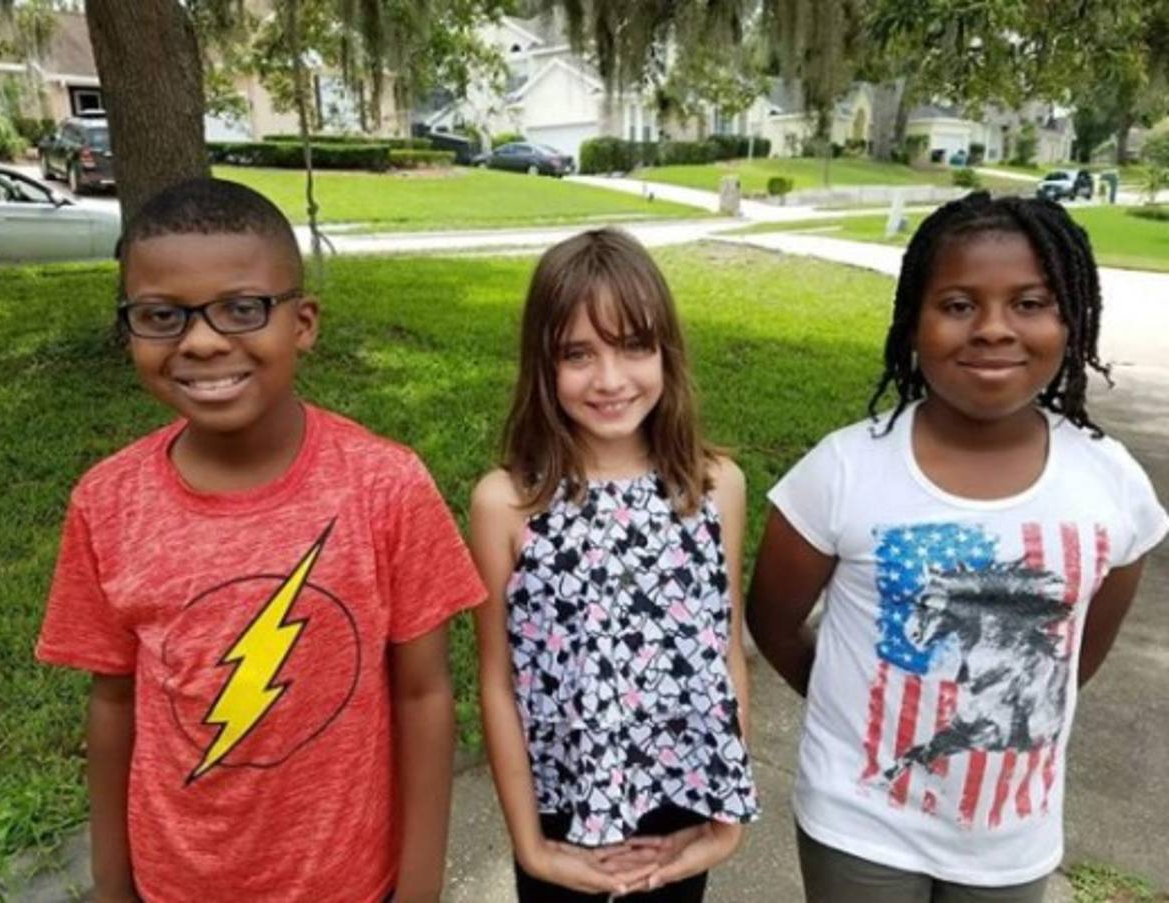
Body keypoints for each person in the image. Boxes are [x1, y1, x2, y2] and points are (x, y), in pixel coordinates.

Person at [36, 178, 484, 903]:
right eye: (161, 315)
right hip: (174, 881)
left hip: (348, 882)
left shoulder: (387, 485)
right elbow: (112, 702)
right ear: (130, 329)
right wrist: (113, 885)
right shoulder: (106, 501)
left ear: (303, 321)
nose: (204, 341)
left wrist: (421, 885)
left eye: (243, 308)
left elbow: (425, 691)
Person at [747, 191, 1168, 903]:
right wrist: (856, 711)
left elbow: (1080, 651)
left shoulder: (1110, 483)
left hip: (1011, 832)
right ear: (914, 322)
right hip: (859, 820)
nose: (994, 329)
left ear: (1072, 317)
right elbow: (772, 620)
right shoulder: (845, 469)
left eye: (1030, 303)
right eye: (959, 305)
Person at [470, 229, 758, 902]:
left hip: (681, 808)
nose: (609, 379)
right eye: (578, 353)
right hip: (564, 816)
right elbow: (497, 682)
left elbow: (727, 652)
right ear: (543, 365)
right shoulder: (507, 503)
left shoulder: (715, 487)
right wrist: (532, 848)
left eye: (634, 346)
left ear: (667, 351)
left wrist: (727, 817)